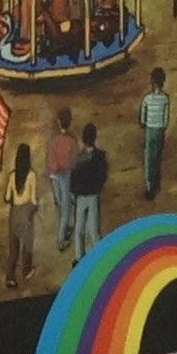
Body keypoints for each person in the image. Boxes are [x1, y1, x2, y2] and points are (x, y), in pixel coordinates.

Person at [2, 142, 39, 288]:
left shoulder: (12, 176)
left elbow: (6, 197)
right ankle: (26, 271)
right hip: (26, 213)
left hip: (14, 214)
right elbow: (34, 199)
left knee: (13, 248)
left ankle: (10, 277)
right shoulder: (31, 175)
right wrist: (35, 207)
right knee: (27, 245)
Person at [70, 122, 108, 255]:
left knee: (79, 229)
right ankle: (99, 256)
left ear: (83, 139)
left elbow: (73, 178)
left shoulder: (78, 157)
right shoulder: (100, 156)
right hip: (93, 195)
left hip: (81, 197)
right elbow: (103, 177)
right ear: (94, 138)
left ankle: (79, 257)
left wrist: (73, 193)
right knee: (94, 230)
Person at [46, 107, 78, 250]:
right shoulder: (72, 142)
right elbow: (74, 161)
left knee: (60, 204)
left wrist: (55, 168)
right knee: (65, 206)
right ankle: (62, 236)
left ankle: (63, 233)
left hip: (55, 175)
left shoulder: (53, 141)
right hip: (65, 176)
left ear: (58, 122)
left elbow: (50, 161)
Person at [139, 67, 171, 199]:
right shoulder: (165, 99)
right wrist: (162, 127)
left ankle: (149, 187)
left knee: (148, 159)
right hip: (160, 131)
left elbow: (142, 119)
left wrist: (145, 124)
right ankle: (157, 184)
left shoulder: (147, 99)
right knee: (157, 157)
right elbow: (166, 119)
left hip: (149, 130)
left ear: (152, 82)